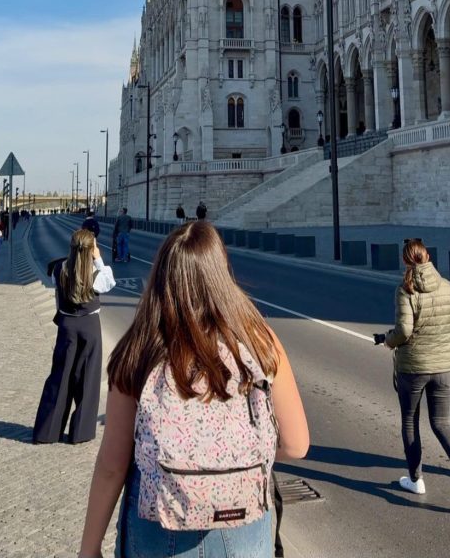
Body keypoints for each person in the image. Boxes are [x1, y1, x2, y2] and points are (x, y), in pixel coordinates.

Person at [78, 221, 309, 558]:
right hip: (244, 524)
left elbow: (113, 466)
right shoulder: (262, 342)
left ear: (161, 279)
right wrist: (228, 461)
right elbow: (296, 444)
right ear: (222, 277)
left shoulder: (139, 349)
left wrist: (89, 548)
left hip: (159, 526)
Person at [382, 237, 450, 513]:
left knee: (410, 422)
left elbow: (404, 332)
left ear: (405, 261)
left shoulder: (405, 290)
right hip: (446, 368)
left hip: (413, 368)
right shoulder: (447, 286)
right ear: (428, 257)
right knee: (442, 422)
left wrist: (388, 340)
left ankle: (415, 479)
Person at [33, 228, 115, 445]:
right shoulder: (97, 275)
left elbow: (57, 285)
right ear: (92, 249)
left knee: (60, 377)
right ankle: (80, 432)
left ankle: (48, 430)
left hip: (66, 326)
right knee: (88, 379)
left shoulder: (58, 269)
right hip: (89, 325)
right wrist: (97, 259)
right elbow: (110, 282)